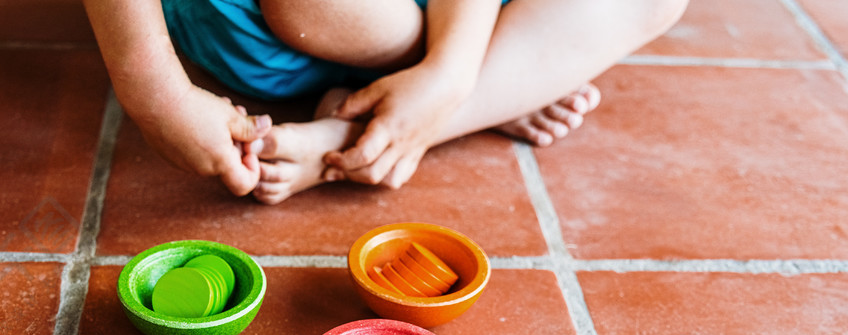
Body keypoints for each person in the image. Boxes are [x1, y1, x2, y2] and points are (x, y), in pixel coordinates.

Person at [82, 0, 688, 204]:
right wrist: (154, 92)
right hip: (278, 24)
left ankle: (359, 134)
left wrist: (451, 74)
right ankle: (511, 73)